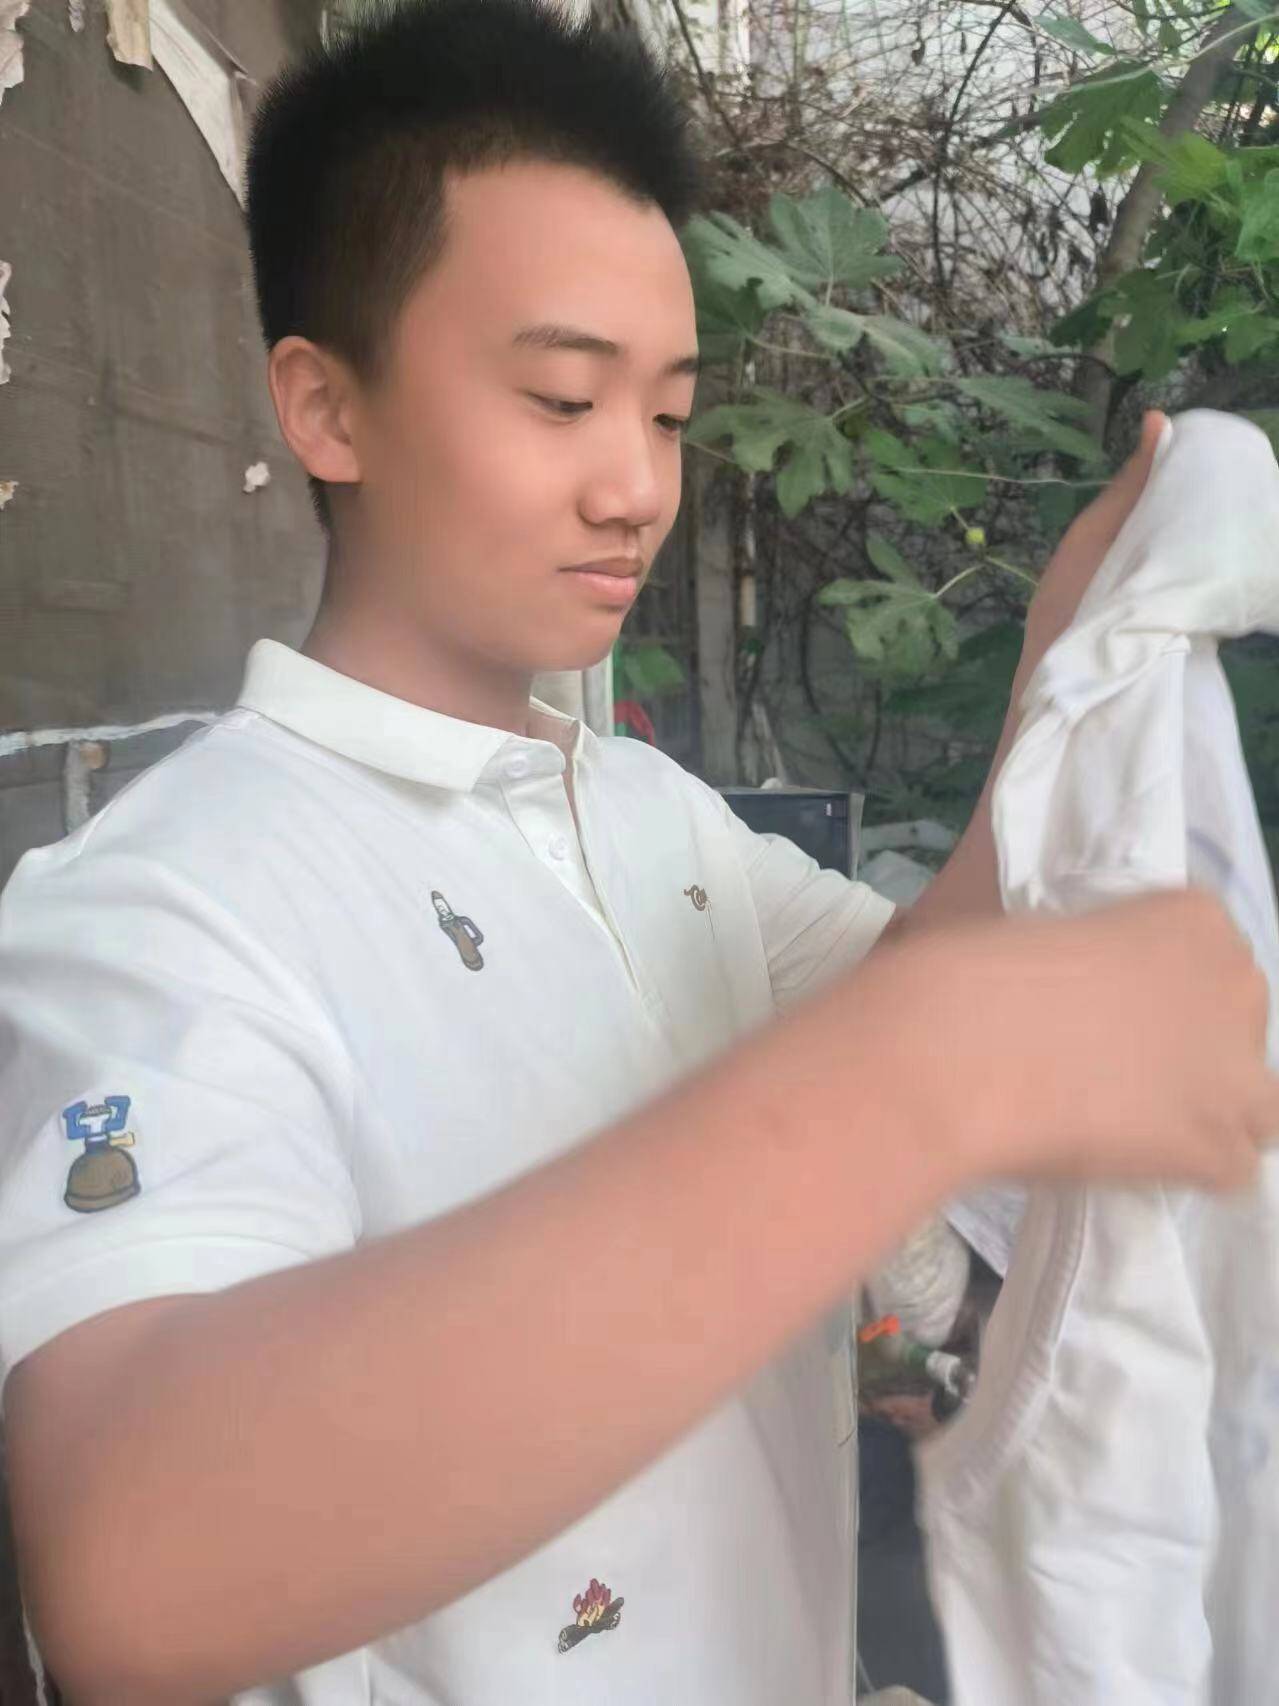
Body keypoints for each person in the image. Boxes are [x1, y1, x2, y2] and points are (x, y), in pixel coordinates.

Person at [0, 4, 1272, 1703]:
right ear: (324, 406)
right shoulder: (164, 907)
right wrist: (922, 1074)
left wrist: (1067, 675)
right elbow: (136, 1567)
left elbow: (941, 988)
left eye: (667, 415)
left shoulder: (664, 823)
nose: (636, 489)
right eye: (562, 397)